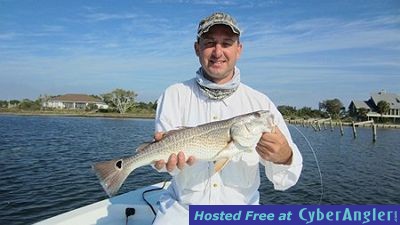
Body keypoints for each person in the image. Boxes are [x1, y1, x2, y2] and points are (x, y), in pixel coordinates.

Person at [152, 12, 303, 225]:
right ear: (197, 48)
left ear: (239, 49)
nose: (218, 52)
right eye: (210, 42)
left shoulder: (261, 103)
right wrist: (165, 163)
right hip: (181, 214)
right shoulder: (174, 94)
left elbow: (287, 179)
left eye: (227, 43)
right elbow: (162, 165)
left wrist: (285, 156)